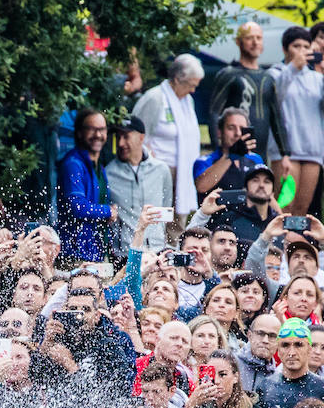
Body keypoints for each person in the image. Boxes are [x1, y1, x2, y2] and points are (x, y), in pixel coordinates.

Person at [267, 26, 324, 217]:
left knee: (302, 209)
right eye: (296, 46)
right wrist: (294, 67)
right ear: (285, 49)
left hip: (312, 152)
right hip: (287, 152)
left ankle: (297, 245)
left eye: (306, 46)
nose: (302, 51)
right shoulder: (276, 73)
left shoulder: (316, 78)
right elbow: (275, 95)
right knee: (284, 206)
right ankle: (278, 246)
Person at [133, 54, 204, 215]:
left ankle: (175, 242)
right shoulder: (154, 98)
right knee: (159, 217)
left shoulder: (187, 100)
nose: (193, 90)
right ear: (178, 79)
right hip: (158, 170)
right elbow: (137, 135)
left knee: (177, 222)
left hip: (184, 169)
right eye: (190, 85)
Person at [208, 21, 287, 163]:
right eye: (249, 38)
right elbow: (214, 113)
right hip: (233, 153)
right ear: (238, 42)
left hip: (260, 154)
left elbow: (276, 117)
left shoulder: (268, 78)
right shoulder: (229, 74)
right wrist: (218, 149)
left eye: (258, 38)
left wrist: (285, 154)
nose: (255, 42)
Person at [257, 318, 324, 408]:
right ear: (277, 350)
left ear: (309, 348)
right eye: (285, 345)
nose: (292, 353)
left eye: (298, 345)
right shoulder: (265, 387)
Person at [55, 109, 117, 263]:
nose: (98, 135)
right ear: (80, 133)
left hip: (95, 252)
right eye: (92, 129)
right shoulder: (73, 164)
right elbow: (77, 207)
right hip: (75, 255)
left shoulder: (98, 167)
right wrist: (108, 211)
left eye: (102, 129)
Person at [105, 115, 172, 256]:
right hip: (124, 253)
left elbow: (166, 205)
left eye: (126, 137)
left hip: (156, 250)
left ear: (141, 137)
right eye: (118, 137)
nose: (121, 143)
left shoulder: (161, 169)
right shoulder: (108, 173)